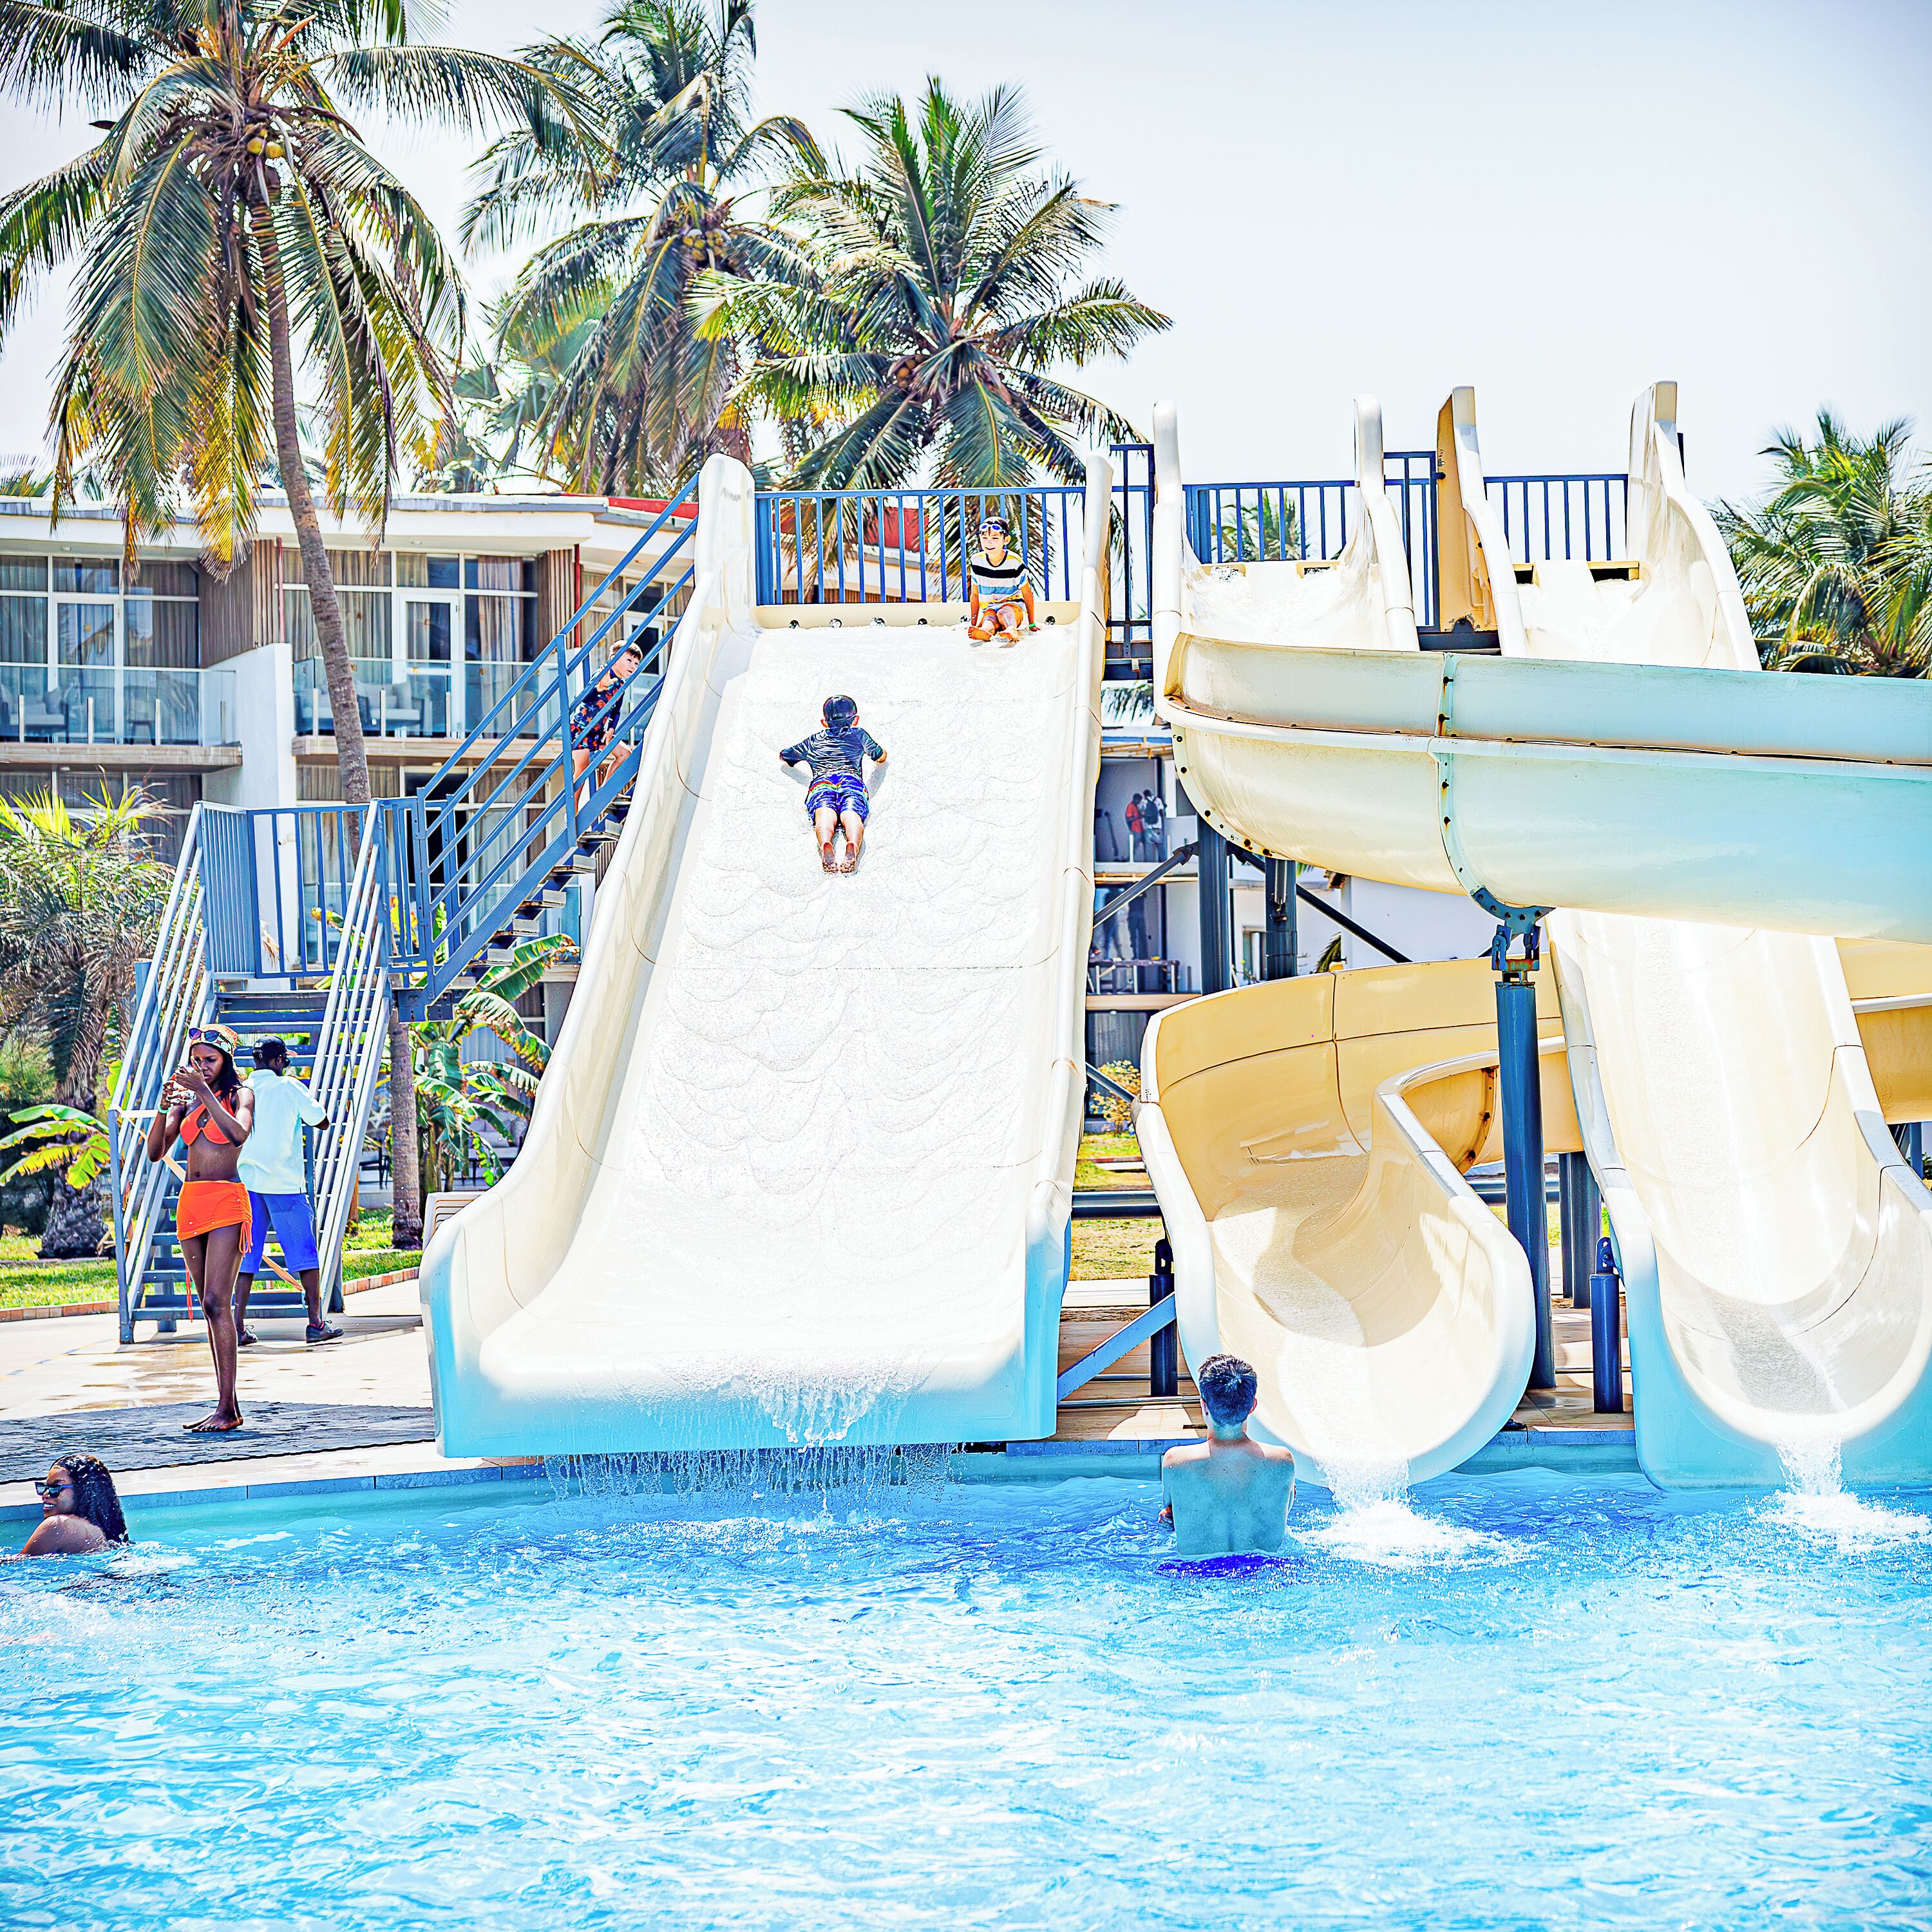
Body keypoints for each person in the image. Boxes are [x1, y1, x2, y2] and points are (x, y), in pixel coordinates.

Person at [145, 1023, 254, 1434]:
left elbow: (237, 1134)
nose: (202, 1066)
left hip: (227, 1199)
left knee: (213, 1301)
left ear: (226, 1059)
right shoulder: (185, 1101)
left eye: (210, 1060)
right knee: (211, 1309)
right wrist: (163, 1108)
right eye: (197, 1059)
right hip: (191, 1202)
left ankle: (227, 1407)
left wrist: (205, 1093)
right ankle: (227, 1404)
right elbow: (157, 1152)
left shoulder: (241, 1095)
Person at [232, 1037, 343, 1349]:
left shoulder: (242, 1090)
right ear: (280, 1061)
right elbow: (320, 1121)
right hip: (284, 1183)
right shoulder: (290, 1087)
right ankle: (315, 1323)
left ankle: (238, 1326)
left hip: (247, 1183)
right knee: (305, 1256)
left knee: (245, 1258)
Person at [1160, 1354, 1296, 1556]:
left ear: (1204, 1406)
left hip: (1196, 1573)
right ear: (1252, 1406)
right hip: (1264, 1572)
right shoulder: (1282, 1461)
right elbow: (1281, 1511)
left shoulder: (1176, 1462)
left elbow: (1169, 1517)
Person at [779, 695, 887, 874]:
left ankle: (825, 844)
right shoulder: (859, 734)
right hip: (851, 781)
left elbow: (785, 755)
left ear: (824, 722)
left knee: (824, 815)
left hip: (822, 782)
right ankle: (852, 843)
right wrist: (881, 754)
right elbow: (880, 756)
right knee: (851, 815)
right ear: (855, 720)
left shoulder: (813, 741)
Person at [12, 1453, 129, 1558]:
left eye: (56, 1488)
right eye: (45, 1487)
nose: (46, 1494)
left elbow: (17, 1564)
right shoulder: (103, 1531)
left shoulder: (59, 1525)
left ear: (83, 1491)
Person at [571, 641, 643, 806]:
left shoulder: (621, 684)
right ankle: (572, 810)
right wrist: (600, 687)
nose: (633, 666)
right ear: (614, 659)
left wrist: (611, 730)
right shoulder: (603, 673)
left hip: (599, 731)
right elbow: (586, 697)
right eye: (629, 660)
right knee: (582, 769)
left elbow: (616, 711)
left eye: (636, 663)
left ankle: (604, 791)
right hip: (582, 728)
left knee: (625, 754)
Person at [965, 516, 1037, 645]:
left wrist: (1032, 623)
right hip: (991, 607)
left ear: (1006, 540)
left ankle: (1011, 629)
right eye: (985, 538)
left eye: (995, 538)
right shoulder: (976, 561)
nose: (989, 543)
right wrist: (974, 623)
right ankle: (985, 631)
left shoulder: (1014, 562)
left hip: (1013, 607)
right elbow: (975, 594)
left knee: (1005, 612)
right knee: (989, 619)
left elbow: (1027, 593)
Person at [1124, 791, 1145, 861]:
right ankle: (1130, 859)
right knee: (1135, 846)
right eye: (1139, 800)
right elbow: (1129, 818)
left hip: (1141, 828)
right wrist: (1138, 817)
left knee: (1144, 844)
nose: (1139, 802)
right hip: (1136, 829)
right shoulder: (1131, 806)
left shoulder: (1136, 806)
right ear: (1135, 799)